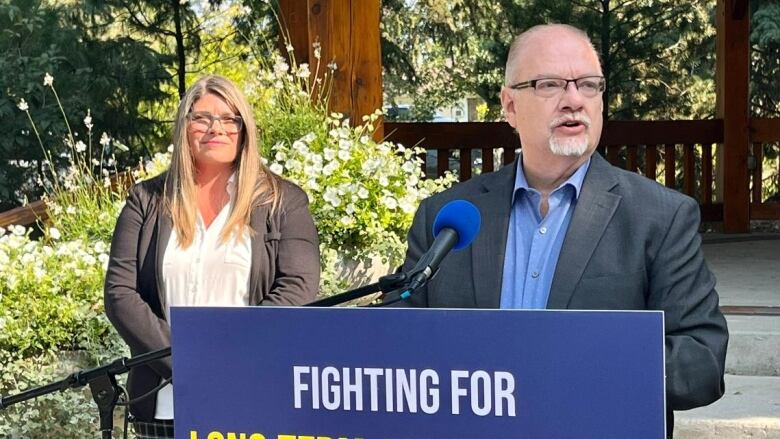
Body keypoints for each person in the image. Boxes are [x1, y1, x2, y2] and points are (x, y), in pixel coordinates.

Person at [393, 24, 728, 437]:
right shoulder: (446, 217)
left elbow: (702, 360)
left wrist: (571, 366)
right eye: (549, 84)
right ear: (510, 105)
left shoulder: (660, 217)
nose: (574, 101)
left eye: (589, 85)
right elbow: (394, 337)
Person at [104, 75, 320, 438]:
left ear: (245, 128)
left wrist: (227, 362)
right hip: (163, 402)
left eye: (229, 118)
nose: (215, 128)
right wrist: (184, 365)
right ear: (184, 127)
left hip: (252, 394)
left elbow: (297, 289)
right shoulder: (146, 200)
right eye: (201, 117)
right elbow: (120, 295)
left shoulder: (284, 201)